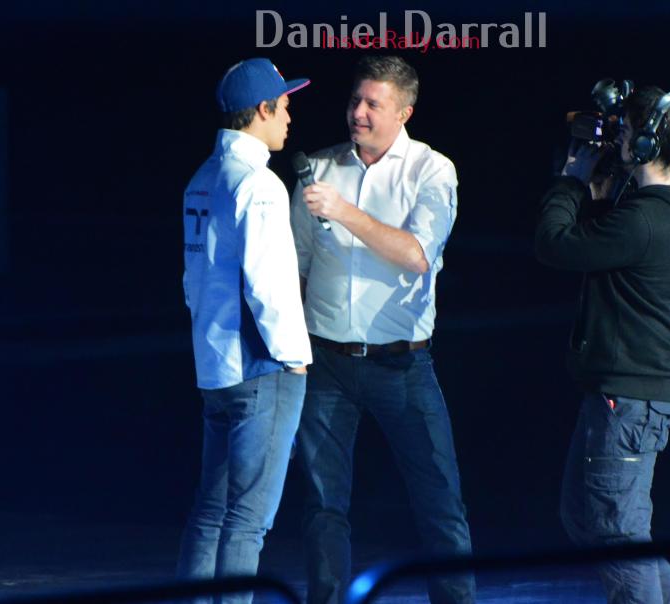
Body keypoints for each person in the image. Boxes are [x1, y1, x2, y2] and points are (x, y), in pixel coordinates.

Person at [289, 55, 475, 604]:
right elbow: (298, 267)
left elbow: (417, 255)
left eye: (374, 104)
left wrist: (344, 211)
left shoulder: (431, 170)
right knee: (322, 504)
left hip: (402, 363)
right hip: (327, 361)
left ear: (404, 113)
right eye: (355, 99)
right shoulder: (319, 167)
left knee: (439, 499)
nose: (359, 112)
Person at [535, 85, 670, 604]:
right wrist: (599, 196)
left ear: (646, 144)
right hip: (626, 393)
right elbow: (608, 243)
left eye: (623, 132)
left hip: (629, 398)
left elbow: (555, 244)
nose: (616, 141)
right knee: (587, 517)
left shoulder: (643, 220)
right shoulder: (660, 212)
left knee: (617, 533)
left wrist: (570, 180)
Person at [177, 58, 312, 603]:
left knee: (211, 509)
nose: (289, 118)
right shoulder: (259, 184)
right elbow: (268, 284)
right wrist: (294, 358)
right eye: (285, 106)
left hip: (215, 365)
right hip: (262, 366)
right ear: (262, 109)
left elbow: (192, 280)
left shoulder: (202, 178)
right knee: (248, 519)